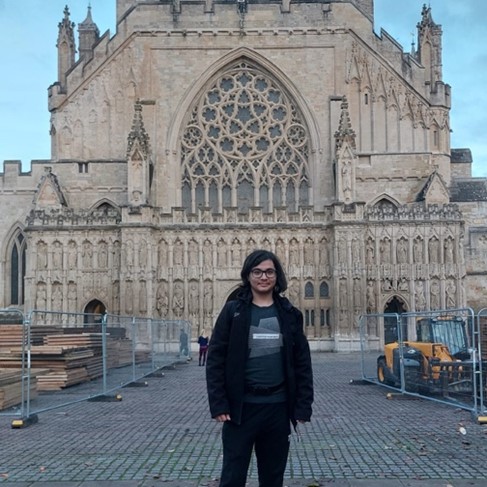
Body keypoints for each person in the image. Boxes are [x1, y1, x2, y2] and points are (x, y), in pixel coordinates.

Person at [206, 249, 314, 487]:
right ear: (248, 275)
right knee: (233, 476)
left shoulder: (289, 314)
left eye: (269, 272)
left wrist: (303, 405)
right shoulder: (233, 311)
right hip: (240, 409)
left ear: (277, 276)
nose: (263, 277)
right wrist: (219, 402)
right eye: (257, 271)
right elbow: (215, 359)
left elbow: (302, 362)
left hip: (277, 407)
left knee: (273, 477)